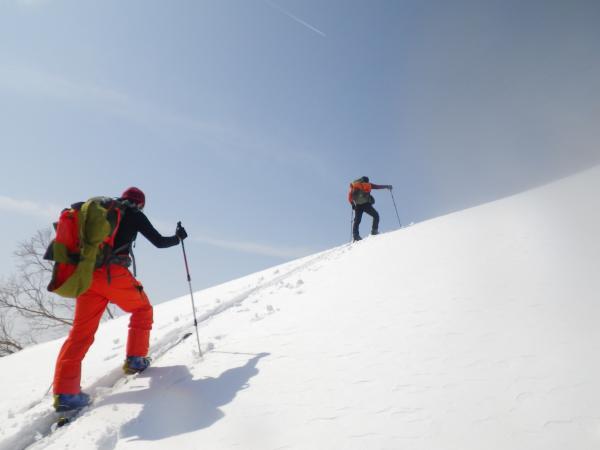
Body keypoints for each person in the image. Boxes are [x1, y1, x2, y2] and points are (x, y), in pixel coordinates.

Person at [52, 187, 188, 412]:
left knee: (79, 334)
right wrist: (178, 237)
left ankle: (66, 393)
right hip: (112, 274)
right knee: (143, 309)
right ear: (140, 203)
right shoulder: (134, 214)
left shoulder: (102, 211)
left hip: (87, 276)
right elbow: (159, 242)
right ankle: (135, 360)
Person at [348, 176, 392, 241]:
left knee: (357, 221)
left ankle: (356, 236)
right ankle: (374, 231)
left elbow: (350, 196)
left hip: (358, 205)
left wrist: (352, 204)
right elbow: (378, 187)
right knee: (376, 215)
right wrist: (387, 186)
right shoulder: (369, 185)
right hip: (366, 205)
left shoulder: (355, 185)